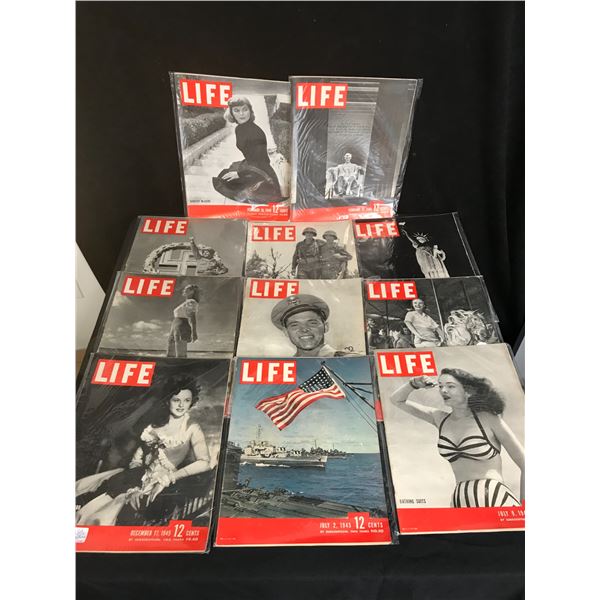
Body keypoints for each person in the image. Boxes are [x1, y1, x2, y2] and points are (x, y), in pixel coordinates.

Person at [76, 381, 212, 526]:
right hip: (136, 477)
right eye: (176, 400)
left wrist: (169, 478)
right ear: (168, 401)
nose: (181, 405)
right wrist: (135, 477)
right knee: (98, 500)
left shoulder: (192, 428)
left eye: (186, 400)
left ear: (192, 402)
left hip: (163, 482)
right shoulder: (153, 427)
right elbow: (138, 458)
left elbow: (204, 463)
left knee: (123, 511)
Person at [390, 369, 524, 508]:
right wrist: (414, 383)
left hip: (495, 500)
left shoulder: (489, 418)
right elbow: (396, 400)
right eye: (441, 386)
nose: (443, 390)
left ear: (467, 391)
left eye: (450, 386)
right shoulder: (440, 418)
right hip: (458, 502)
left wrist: (525, 508)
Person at [212, 96, 282, 204]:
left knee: (227, 182)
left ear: (250, 110)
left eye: (245, 109)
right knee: (225, 175)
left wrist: (240, 174)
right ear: (231, 113)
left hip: (261, 172)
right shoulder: (240, 128)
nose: (242, 114)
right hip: (253, 165)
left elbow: (261, 161)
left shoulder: (254, 131)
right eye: (237, 110)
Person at [271, 294, 352, 357]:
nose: (304, 329)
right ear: (286, 332)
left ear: (325, 327)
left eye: (312, 323)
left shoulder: (347, 360)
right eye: (295, 325)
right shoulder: (285, 366)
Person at [166, 284, 200, 358]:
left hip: (182, 326)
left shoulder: (191, 302)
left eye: (186, 289)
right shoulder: (186, 303)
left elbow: (192, 317)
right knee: (170, 354)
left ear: (192, 291)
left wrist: (194, 332)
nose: (183, 290)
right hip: (175, 326)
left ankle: (182, 364)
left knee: (180, 354)